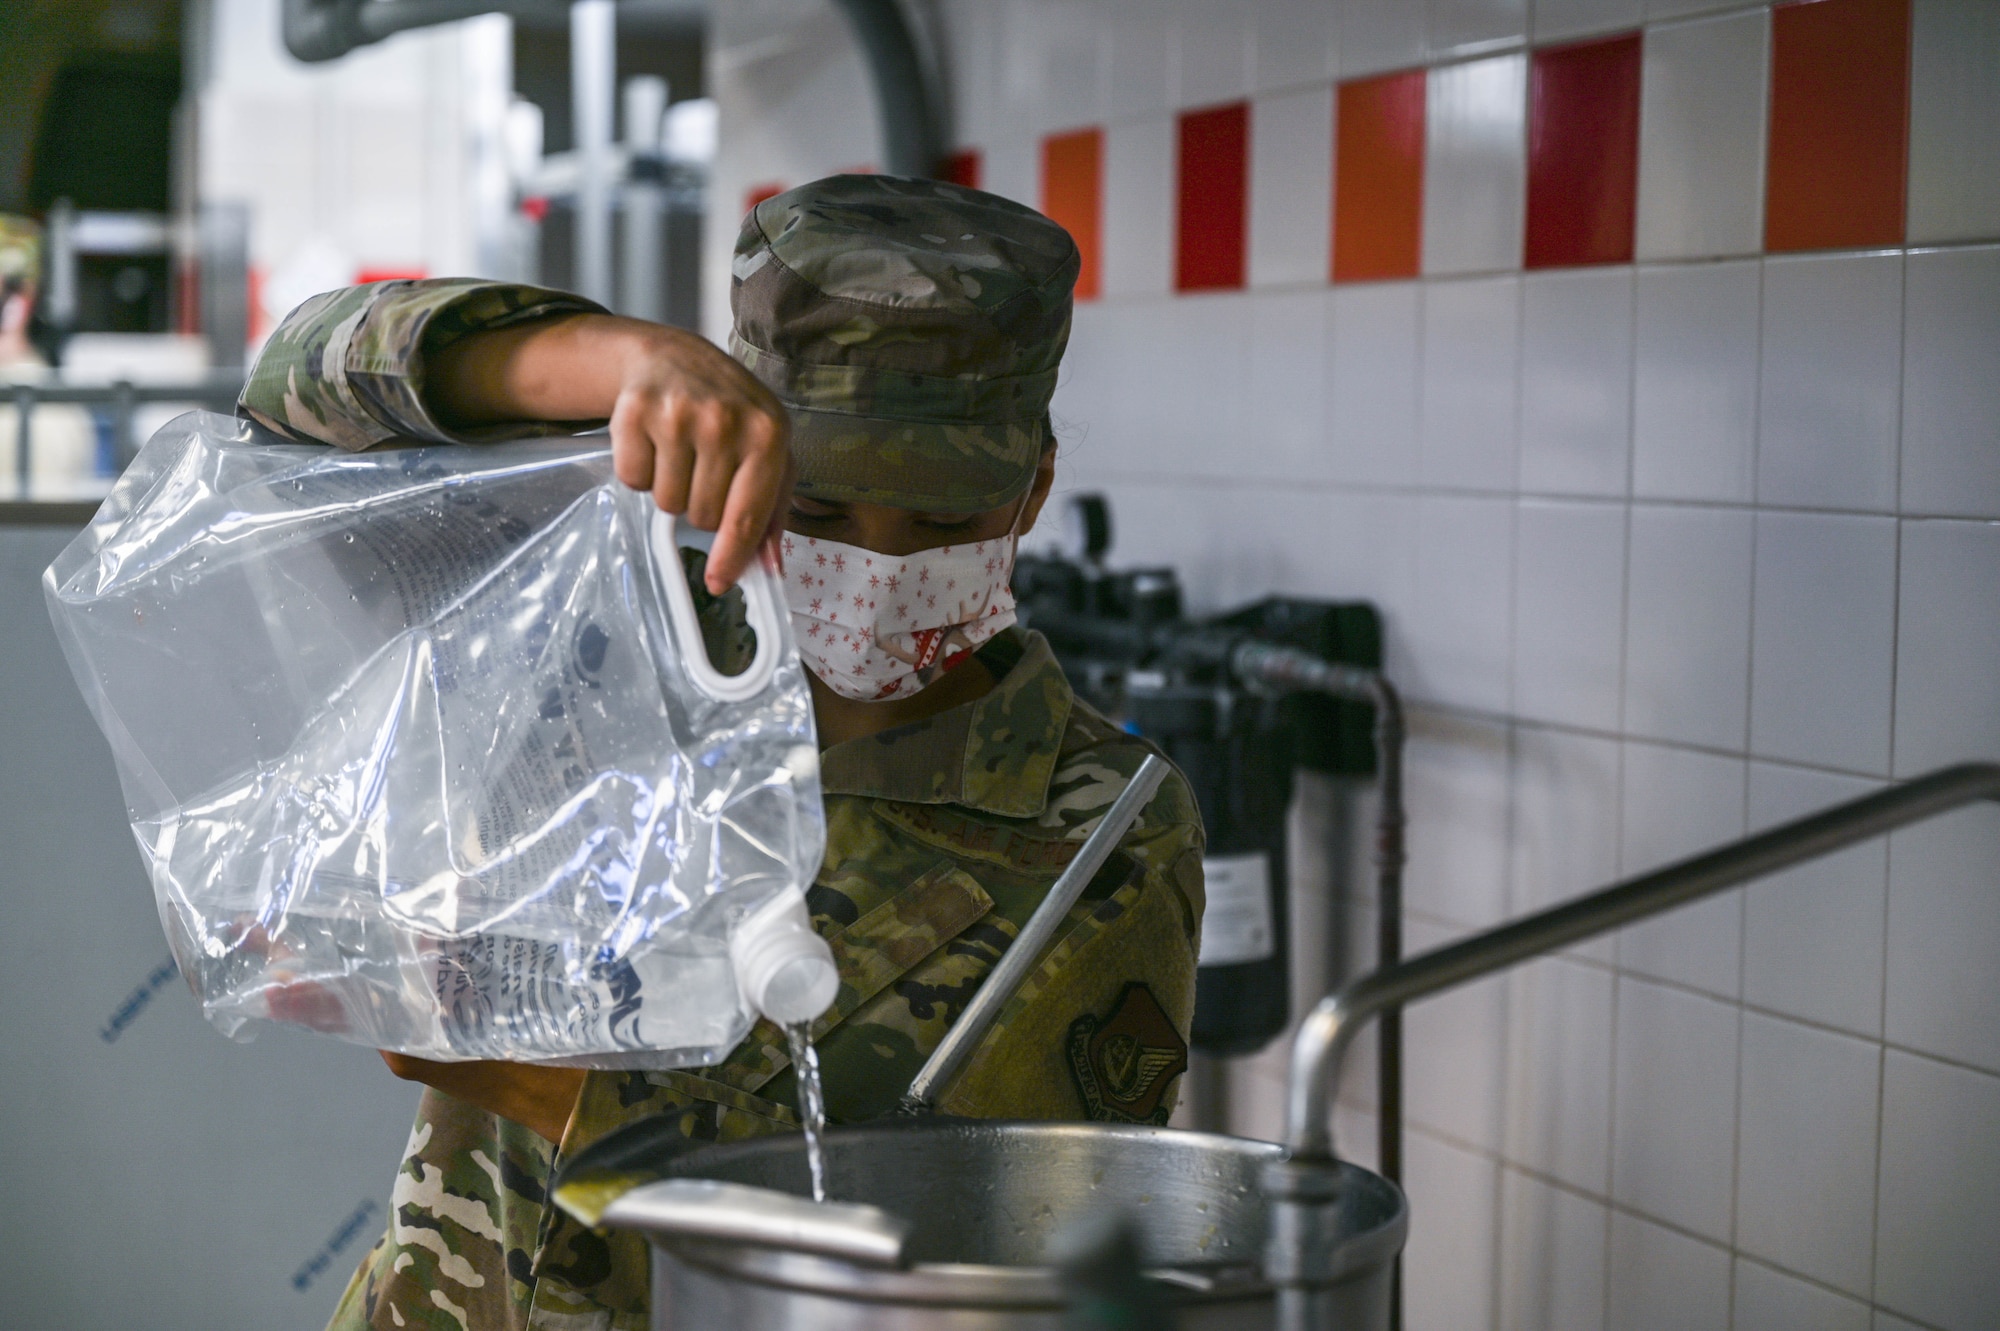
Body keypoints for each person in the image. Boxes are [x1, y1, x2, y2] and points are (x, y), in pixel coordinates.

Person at [239, 174, 1206, 1331]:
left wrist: (556, 1094)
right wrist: (607, 361)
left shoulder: (1098, 828)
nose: (881, 564)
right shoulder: (590, 652)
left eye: (947, 519)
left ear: (1033, 485)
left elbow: (1000, 1249)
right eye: (824, 509)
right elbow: (284, 392)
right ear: (740, 463)